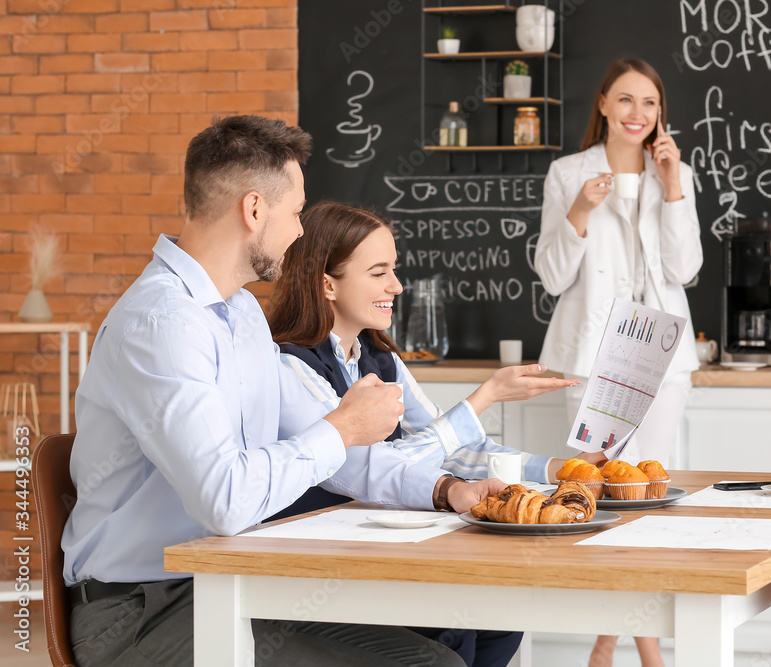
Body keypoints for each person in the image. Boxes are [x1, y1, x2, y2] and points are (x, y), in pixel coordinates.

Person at [62, 114, 504, 667]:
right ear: (253, 210)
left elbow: (336, 453)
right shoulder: (162, 324)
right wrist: (341, 426)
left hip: (224, 581)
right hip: (140, 612)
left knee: (438, 652)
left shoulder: (241, 313)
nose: (300, 232)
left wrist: (446, 490)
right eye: (295, 211)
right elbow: (226, 500)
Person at [534, 58, 704, 667]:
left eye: (650, 104)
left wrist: (674, 184)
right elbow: (552, 276)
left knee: (649, 491)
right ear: (603, 103)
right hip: (592, 350)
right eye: (627, 100)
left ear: (661, 114)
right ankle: (649, 653)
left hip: (661, 351)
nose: (638, 114)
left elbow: (685, 269)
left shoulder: (672, 173)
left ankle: (608, 644)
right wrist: (579, 210)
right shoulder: (568, 173)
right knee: (601, 491)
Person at [267, 201, 604, 493]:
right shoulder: (292, 366)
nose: (396, 286)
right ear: (328, 285)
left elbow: (452, 451)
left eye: (393, 270)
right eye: (378, 273)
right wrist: (485, 397)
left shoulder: (382, 359)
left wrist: (565, 469)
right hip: (313, 538)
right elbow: (372, 469)